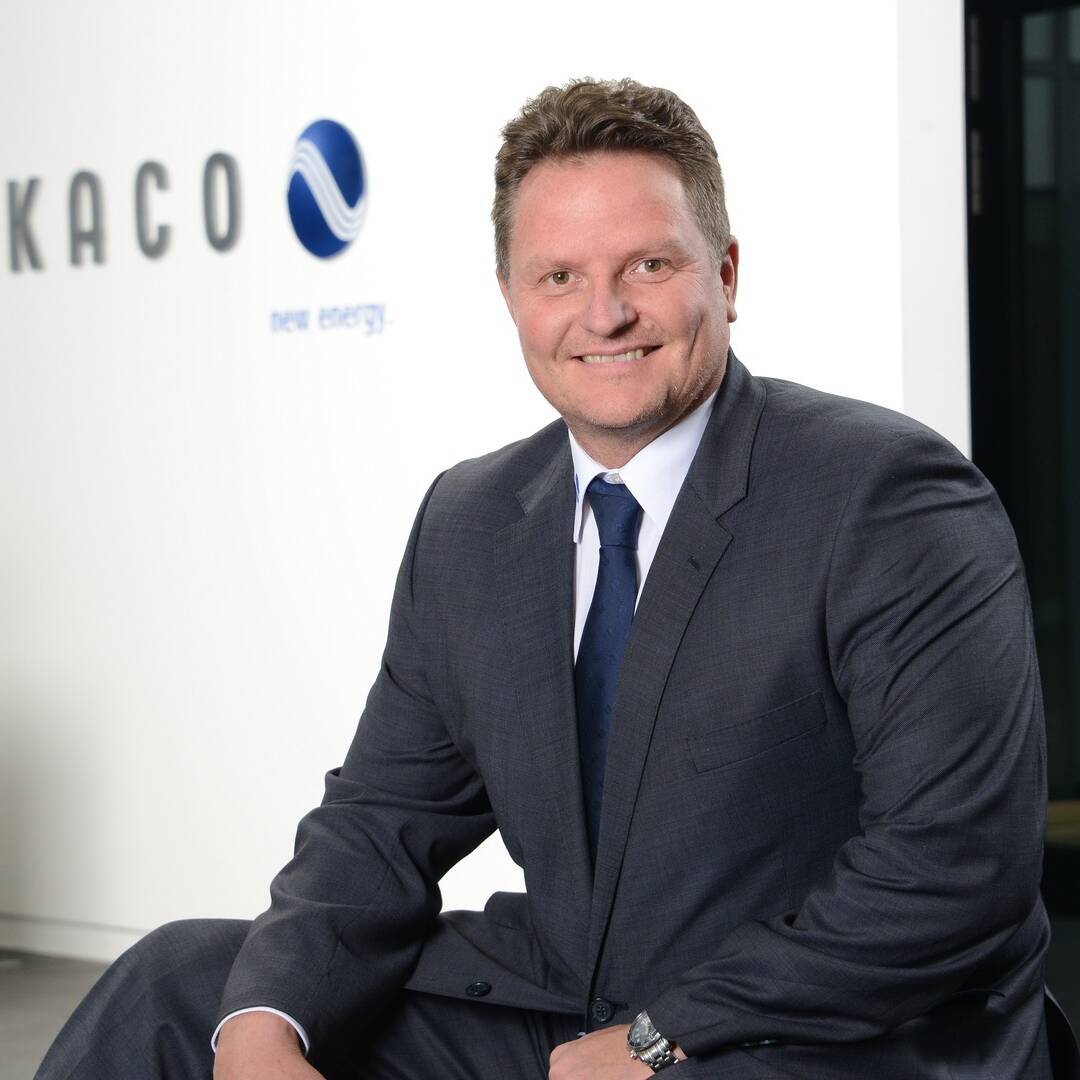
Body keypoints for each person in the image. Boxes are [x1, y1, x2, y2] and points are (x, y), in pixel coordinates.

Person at [37, 77, 1054, 1080]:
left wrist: (663, 1035)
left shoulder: (887, 498)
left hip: (822, 1032)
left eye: (648, 265)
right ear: (512, 298)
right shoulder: (471, 521)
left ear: (726, 274)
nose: (603, 315)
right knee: (183, 984)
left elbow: (955, 866)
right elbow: (381, 822)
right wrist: (267, 1023)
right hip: (566, 1009)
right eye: (559, 276)